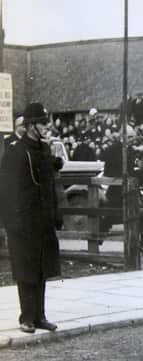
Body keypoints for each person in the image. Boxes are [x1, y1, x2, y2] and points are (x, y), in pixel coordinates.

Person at [0, 103, 62, 333]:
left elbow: (50, 186)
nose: (47, 126)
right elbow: (6, 191)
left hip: (43, 221)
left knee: (42, 268)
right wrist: (11, 224)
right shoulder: (16, 152)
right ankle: (26, 317)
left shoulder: (45, 150)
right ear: (30, 126)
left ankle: (40, 316)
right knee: (26, 270)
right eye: (42, 123)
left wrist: (55, 215)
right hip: (23, 222)